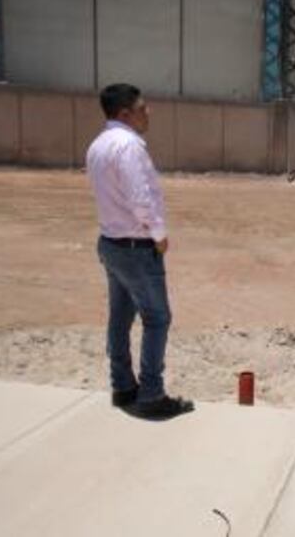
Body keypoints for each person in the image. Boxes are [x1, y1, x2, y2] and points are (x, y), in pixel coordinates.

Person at [87, 83, 193, 418]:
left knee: (119, 317)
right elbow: (140, 199)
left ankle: (123, 387)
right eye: (143, 108)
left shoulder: (99, 145)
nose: (149, 112)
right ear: (125, 114)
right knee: (157, 317)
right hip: (135, 245)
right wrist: (159, 235)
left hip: (111, 243)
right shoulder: (129, 146)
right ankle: (151, 394)